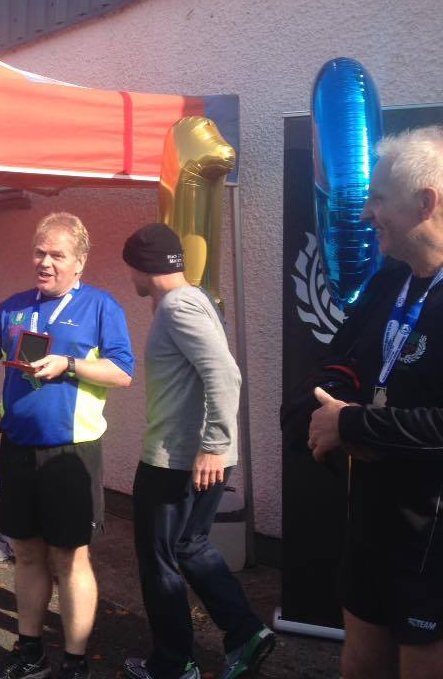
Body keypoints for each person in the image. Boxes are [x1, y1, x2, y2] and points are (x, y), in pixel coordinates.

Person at [0, 212, 135, 679]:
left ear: (79, 261)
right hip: (18, 448)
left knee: (70, 556)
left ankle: (75, 661)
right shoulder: (14, 306)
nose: (45, 262)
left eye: (57, 255)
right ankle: (31, 650)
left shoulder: (101, 306)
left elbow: (122, 372)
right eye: (39, 252)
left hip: (70, 454)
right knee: (26, 552)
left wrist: (70, 364)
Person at [304, 126, 443, 679]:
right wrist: (329, 410)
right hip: (371, 515)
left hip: (431, 534)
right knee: (359, 661)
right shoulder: (390, 281)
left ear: (425, 203)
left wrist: (355, 426)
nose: (365, 215)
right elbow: (339, 361)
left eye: (378, 199)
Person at [121, 223, 274, 679]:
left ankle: (172, 664)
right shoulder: (197, 298)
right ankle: (245, 632)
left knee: (159, 560)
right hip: (199, 458)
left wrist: (213, 445)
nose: (130, 277)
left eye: (131, 267)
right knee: (189, 544)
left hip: (176, 460)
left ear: (143, 266)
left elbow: (224, 373)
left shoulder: (177, 305)